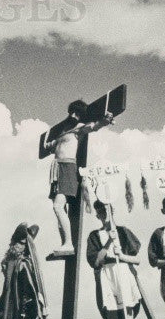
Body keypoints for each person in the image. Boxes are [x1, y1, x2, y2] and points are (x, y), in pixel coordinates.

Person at [42, 101, 114, 257]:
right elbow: (51, 146)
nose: (73, 115)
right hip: (56, 170)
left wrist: (104, 121)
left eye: (77, 113)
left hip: (68, 168)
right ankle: (64, 243)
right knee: (59, 208)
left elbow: (93, 127)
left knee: (58, 207)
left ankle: (68, 243)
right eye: (72, 112)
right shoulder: (63, 131)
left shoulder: (78, 128)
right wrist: (47, 143)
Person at [87, 201, 142, 319]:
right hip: (108, 275)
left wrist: (122, 255)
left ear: (112, 211)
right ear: (97, 215)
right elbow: (96, 262)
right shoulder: (94, 236)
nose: (104, 215)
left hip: (124, 273)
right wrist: (109, 242)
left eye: (106, 211)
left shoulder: (123, 232)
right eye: (100, 213)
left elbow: (136, 258)